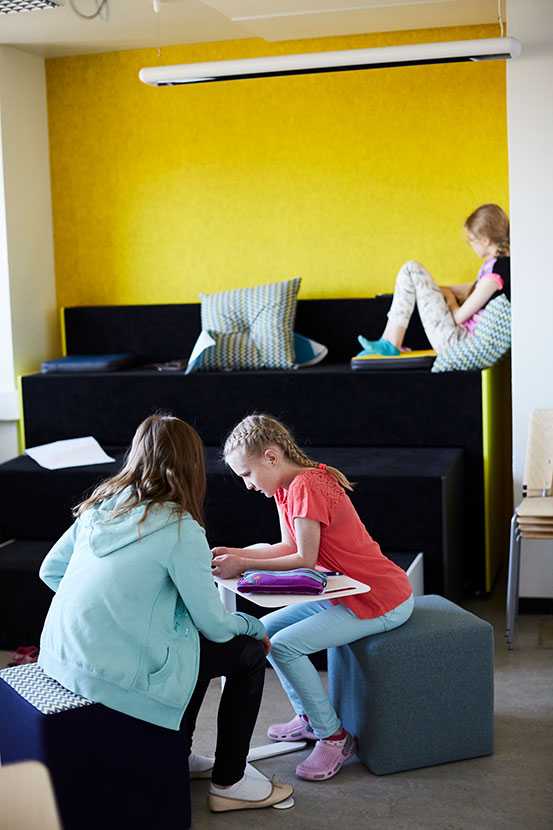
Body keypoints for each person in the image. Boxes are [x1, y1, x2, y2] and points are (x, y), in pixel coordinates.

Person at [38, 414, 293, 813]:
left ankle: (181, 750)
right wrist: (254, 623)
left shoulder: (99, 506)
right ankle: (231, 781)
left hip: (61, 656)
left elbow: (50, 571)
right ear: (191, 465)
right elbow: (215, 624)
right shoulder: (180, 529)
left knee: (187, 643)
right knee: (247, 652)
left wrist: (116, 612)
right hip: (117, 674)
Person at [212, 414, 414, 782]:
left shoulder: (307, 484)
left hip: (379, 598)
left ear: (271, 458)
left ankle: (333, 736)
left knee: (285, 645)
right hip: (343, 589)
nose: (247, 485)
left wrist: (242, 562)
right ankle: (310, 716)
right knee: (262, 631)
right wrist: (238, 553)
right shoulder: (286, 488)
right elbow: (288, 546)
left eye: (247, 474)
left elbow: (304, 558)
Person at [357, 203, 510, 356]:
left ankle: (390, 342)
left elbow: (458, 317)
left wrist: (449, 298)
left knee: (411, 269)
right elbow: (471, 289)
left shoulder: (496, 275)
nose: (470, 245)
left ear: (485, 240)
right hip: (459, 338)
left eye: (471, 240)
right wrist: (431, 289)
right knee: (413, 273)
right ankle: (389, 341)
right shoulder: (496, 266)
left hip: (458, 343)